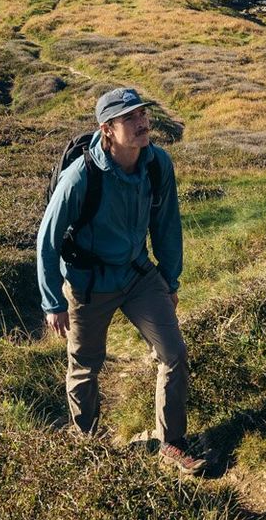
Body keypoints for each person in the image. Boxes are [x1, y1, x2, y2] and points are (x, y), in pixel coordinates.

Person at [37, 87, 204, 475]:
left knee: (174, 353)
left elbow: (167, 225)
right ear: (107, 129)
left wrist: (170, 280)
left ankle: (172, 443)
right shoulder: (80, 176)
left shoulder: (157, 163)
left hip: (136, 274)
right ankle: (88, 445)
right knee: (85, 367)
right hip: (88, 283)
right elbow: (46, 241)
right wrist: (53, 303)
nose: (142, 122)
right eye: (129, 118)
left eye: (142, 114)